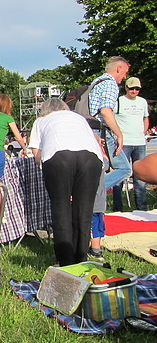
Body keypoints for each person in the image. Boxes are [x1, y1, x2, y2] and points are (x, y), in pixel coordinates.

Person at [28, 98, 103, 266]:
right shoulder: (78, 118)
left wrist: (43, 167)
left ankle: (65, 260)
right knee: (84, 210)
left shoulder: (41, 121)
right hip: (91, 157)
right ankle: (81, 258)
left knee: (61, 208)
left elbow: (36, 152)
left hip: (58, 155)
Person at [88, 56, 130, 192]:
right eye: (125, 72)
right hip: (102, 130)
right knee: (124, 168)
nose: (124, 77)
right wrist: (119, 134)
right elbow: (106, 111)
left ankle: (89, 194)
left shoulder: (97, 81)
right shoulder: (110, 84)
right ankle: (89, 192)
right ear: (118, 68)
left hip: (91, 130)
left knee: (100, 168)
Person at [111, 76, 150, 211]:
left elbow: (146, 118)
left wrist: (144, 133)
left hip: (139, 143)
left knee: (140, 176)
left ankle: (142, 207)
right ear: (126, 88)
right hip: (124, 143)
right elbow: (111, 118)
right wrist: (117, 135)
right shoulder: (119, 101)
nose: (134, 91)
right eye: (132, 88)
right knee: (120, 174)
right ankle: (117, 207)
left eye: (137, 89)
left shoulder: (142, 102)